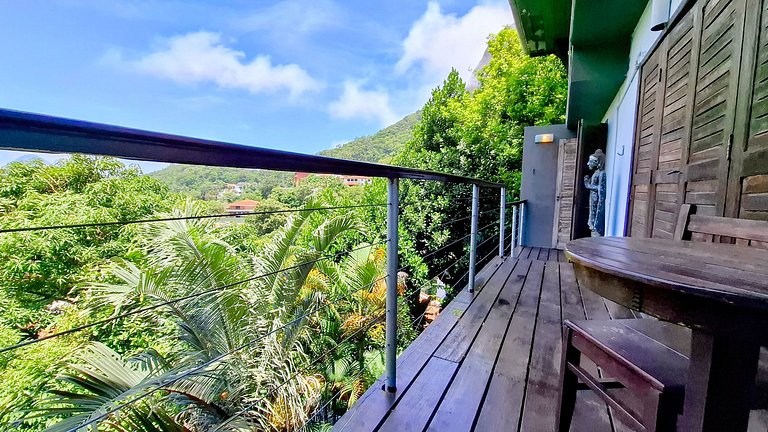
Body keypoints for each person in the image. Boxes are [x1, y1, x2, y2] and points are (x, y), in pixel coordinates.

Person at [584, 149, 606, 237]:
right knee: (591, 220)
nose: (588, 163)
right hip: (593, 200)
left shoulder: (601, 174)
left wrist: (587, 185)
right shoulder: (596, 173)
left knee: (593, 222)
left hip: (596, 201)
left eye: (590, 162)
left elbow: (601, 189)